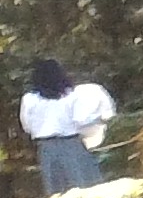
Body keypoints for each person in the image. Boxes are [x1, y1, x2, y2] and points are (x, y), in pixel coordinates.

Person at [25, 56, 116, 190]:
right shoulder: (70, 95)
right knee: (85, 185)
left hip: (45, 147)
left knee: (55, 189)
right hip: (71, 143)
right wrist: (101, 117)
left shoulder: (29, 99)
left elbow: (27, 126)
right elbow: (81, 120)